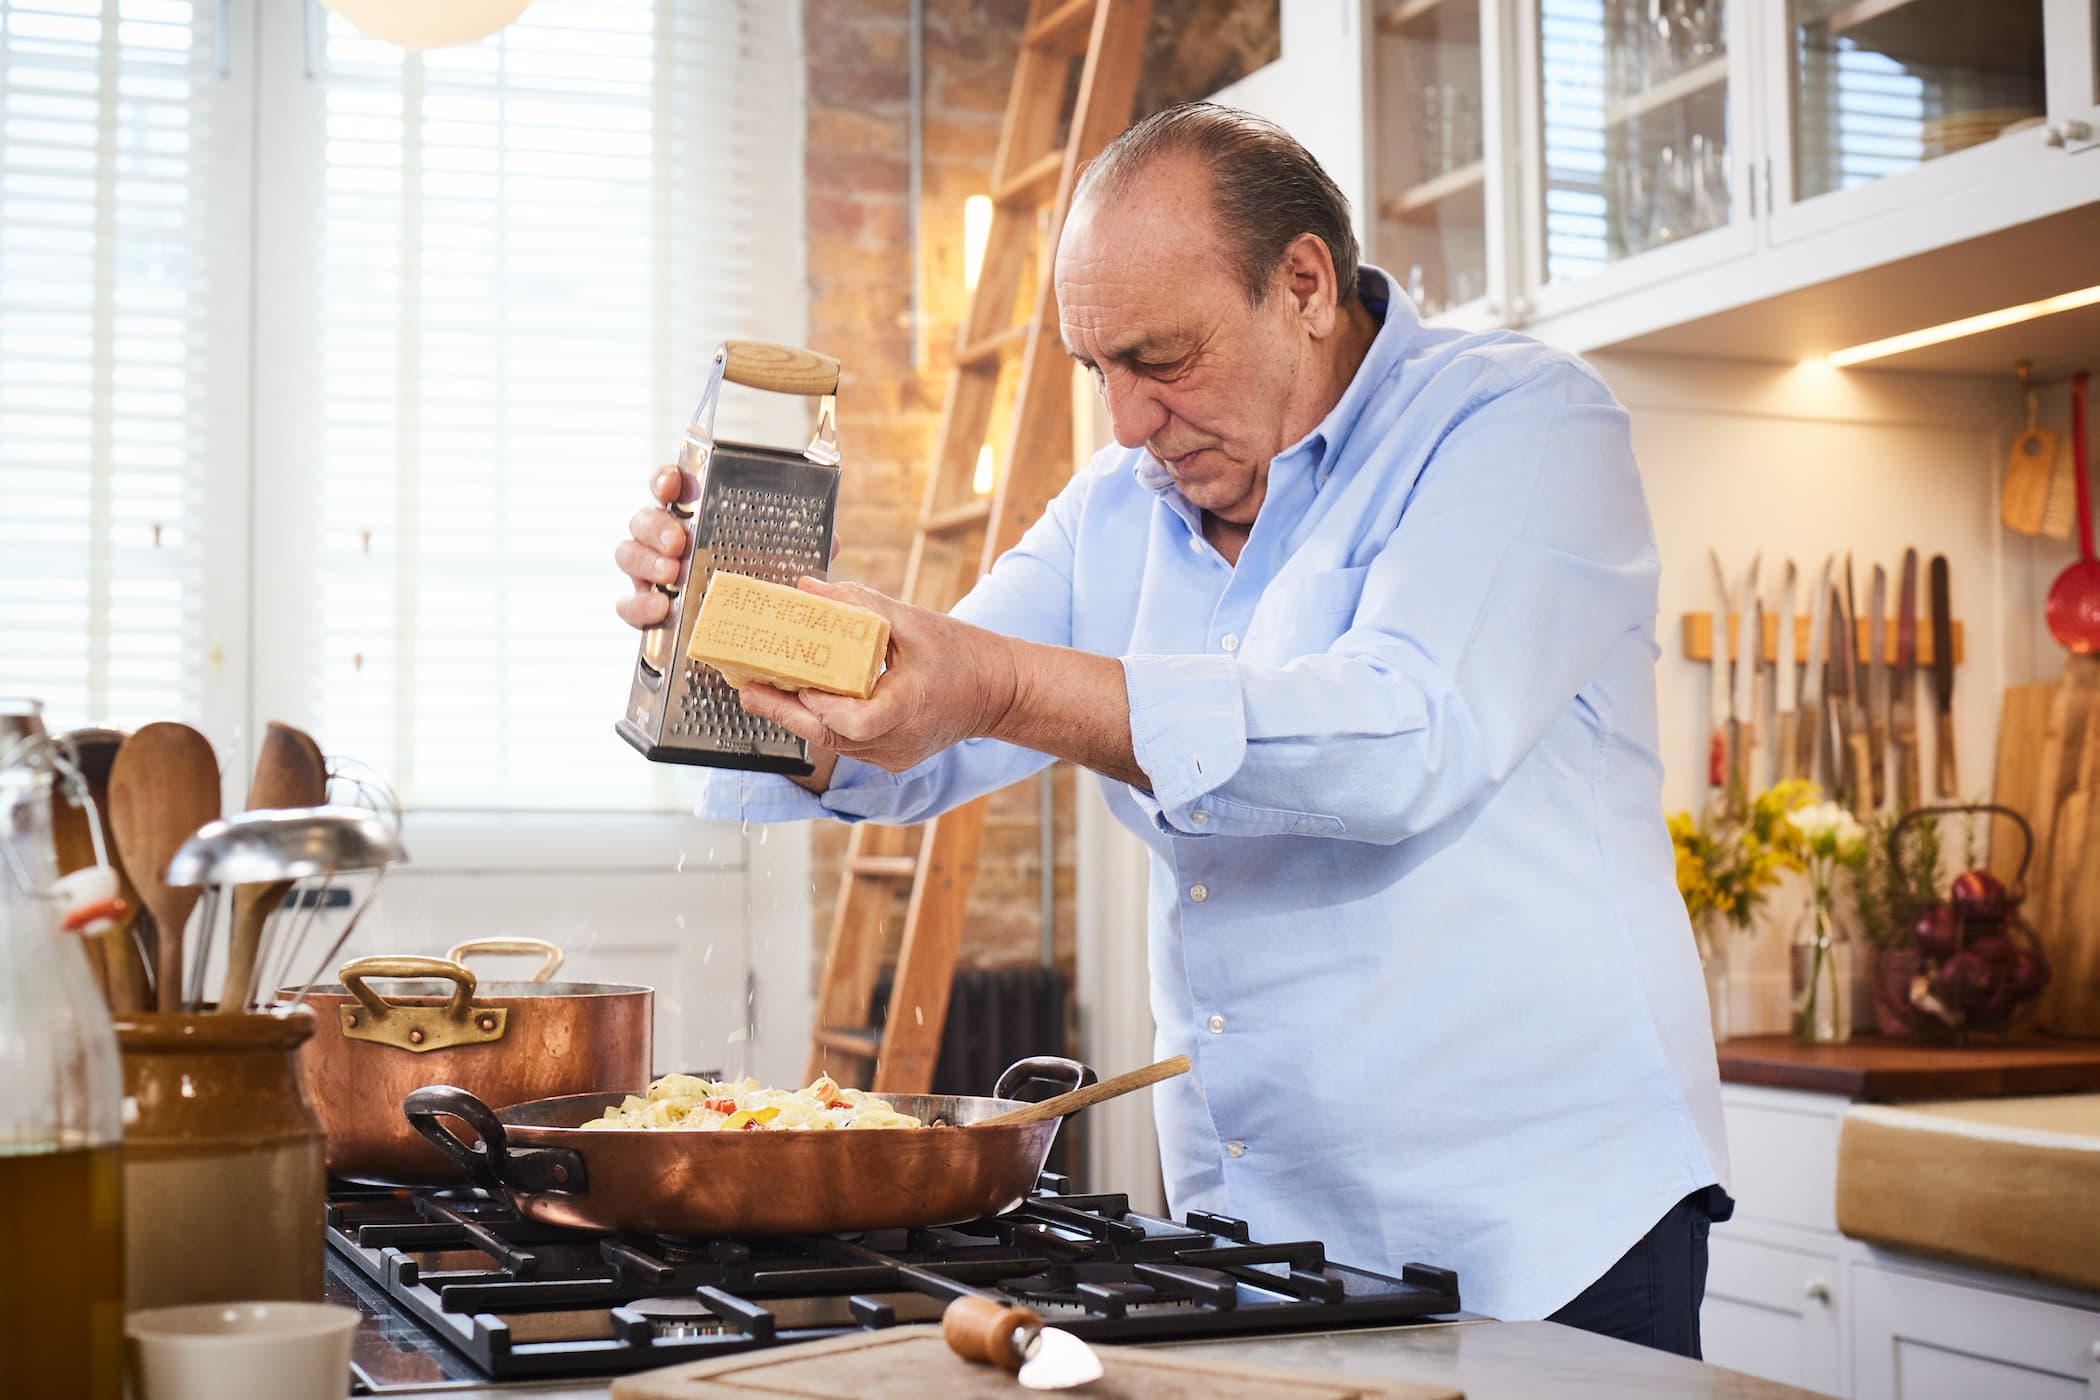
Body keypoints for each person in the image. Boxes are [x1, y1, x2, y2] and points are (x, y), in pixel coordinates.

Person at [614, 103, 1730, 1355]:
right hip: (1259, 1241)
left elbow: (1403, 736)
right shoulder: (1119, 506)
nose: (1127, 421)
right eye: (1098, 369)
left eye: (1162, 356)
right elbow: (927, 719)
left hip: (1544, 1234)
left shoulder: (1519, 423)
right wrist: (732, 635)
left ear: (1303, 283)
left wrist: (993, 682)